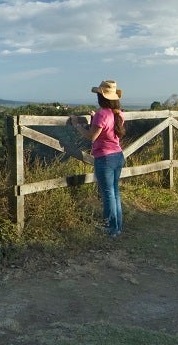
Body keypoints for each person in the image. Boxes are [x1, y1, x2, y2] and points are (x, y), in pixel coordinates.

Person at [72, 80, 126, 237]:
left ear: (101, 97)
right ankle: (117, 226)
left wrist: (77, 124)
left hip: (105, 158)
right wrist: (95, 118)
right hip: (118, 155)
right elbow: (108, 127)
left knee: (108, 193)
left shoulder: (102, 114)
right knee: (115, 192)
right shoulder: (119, 113)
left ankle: (110, 228)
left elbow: (91, 136)